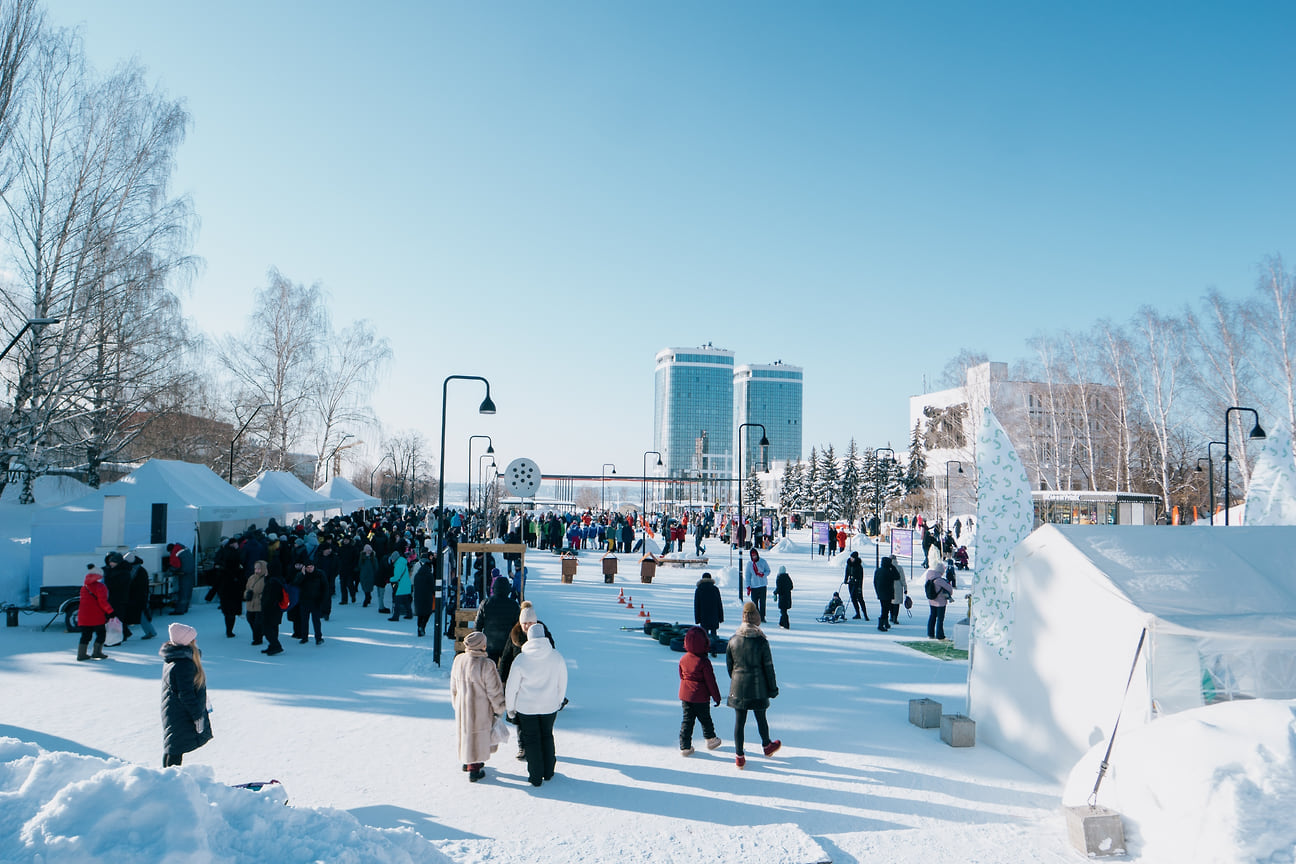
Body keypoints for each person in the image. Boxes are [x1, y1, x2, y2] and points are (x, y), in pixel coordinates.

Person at [505, 622, 568, 787]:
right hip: (549, 706)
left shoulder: (521, 659)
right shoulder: (556, 656)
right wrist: (558, 701)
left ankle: (535, 776)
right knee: (547, 736)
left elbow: (512, 688)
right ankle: (548, 772)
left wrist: (510, 709)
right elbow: (562, 683)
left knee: (531, 740)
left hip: (526, 708)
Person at [726, 601, 780, 769]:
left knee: (739, 722)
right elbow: (769, 668)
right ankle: (766, 745)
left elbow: (730, 666)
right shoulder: (761, 641)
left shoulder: (733, 640)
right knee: (761, 717)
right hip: (758, 687)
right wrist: (772, 688)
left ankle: (739, 756)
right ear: (756, 618)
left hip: (738, 687)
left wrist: (736, 680)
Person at [450, 630, 506, 782]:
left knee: (466, 733)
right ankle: (474, 770)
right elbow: (494, 691)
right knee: (477, 735)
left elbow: (453, 686)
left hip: (463, 706)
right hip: (480, 708)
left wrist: (456, 703)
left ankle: (467, 761)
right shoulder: (486, 664)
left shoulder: (459, 660)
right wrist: (499, 707)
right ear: (482, 646)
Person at [160, 622, 212, 767]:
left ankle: (168, 778)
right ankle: (170, 781)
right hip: (181, 713)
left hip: (176, 711)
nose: (195, 641)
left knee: (174, 747)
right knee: (175, 749)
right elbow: (186, 694)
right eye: (192, 639)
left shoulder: (176, 659)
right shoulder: (183, 664)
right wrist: (197, 717)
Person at [677, 626, 722, 756]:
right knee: (705, 719)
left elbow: (681, 676)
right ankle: (711, 739)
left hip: (686, 695)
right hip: (700, 696)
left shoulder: (683, 659)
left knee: (687, 720)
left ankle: (685, 746)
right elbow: (710, 681)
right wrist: (716, 697)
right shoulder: (704, 662)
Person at [475, 575, 521, 663]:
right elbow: (517, 626)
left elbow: (478, 625)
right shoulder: (513, 605)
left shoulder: (486, 603)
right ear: (508, 589)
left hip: (489, 644)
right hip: (507, 644)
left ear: (494, 588)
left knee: (489, 671)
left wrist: (478, 644)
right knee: (505, 672)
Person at [76, 564, 114, 661]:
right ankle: (97, 653)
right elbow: (103, 602)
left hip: (83, 616)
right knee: (101, 634)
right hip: (96, 616)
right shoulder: (100, 586)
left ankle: (81, 654)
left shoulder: (84, 587)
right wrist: (110, 611)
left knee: (85, 635)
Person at [123, 553, 157, 640]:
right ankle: (150, 632)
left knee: (141, 615)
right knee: (141, 614)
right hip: (138, 596)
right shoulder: (139, 570)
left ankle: (150, 632)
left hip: (138, 597)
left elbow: (137, 585)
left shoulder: (136, 571)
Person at [102, 553, 133, 643]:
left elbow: (114, 585)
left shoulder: (123, 573)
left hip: (118, 599)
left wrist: (107, 577)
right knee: (116, 618)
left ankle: (120, 635)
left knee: (117, 618)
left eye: (113, 562)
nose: (111, 564)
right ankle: (123, 633)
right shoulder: (118, 571)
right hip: (116, 598)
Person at [924, 563, 956, 640]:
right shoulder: (939, 580)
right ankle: (940, 635)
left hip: (931, 601)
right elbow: (950, 589)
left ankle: (930, 633)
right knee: (940, 619)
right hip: (940, 603)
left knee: (932, 617)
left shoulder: (929, 578)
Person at [244, 559, 267, 646]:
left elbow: (267, 591)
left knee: (258, 622)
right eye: (255, 568)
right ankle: (258, 634)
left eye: (259, 569)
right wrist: (247, 594)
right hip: (250, 603)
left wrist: (260, 597)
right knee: (250, 619)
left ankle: (257, 638)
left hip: (260, 604)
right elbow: (247, 588)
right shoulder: (251, 578)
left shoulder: (266, 579)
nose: (257, 570)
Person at [693, 572, 724, 638]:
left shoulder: (699, 590)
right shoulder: (715, 589)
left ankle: (705, 647)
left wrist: (697, 619)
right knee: (714, 635)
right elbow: (719, 604)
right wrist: (721, 618)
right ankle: (714, 646)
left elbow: (697, 606)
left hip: (703, 617)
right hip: (714, 616)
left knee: (704, 635)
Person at [744, 548, 770, 623]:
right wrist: (748, 586)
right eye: (752, 556)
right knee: (754, 603)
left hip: (762, 585)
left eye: (755, 555)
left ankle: (762, 617)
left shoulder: (763, 562)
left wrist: (763, 574)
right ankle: (757, 616)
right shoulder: (749, 564)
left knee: (762, 602)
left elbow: (768, 571)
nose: (754, 557)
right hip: (754, 586)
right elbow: (747, 575)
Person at [412, 550, 434, 637]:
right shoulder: (429, 575)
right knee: (427, 612)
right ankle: (422, 626)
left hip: (418, 597)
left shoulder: (417, 575)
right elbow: (432, 587)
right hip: (427, 597)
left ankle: (419, 627)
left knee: (420, 614)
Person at [387, 547, 412, 621]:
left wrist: (390, 579)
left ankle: (396, 616)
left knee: (397, 602)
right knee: (406, 601)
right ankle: (409, 614)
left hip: (401, 586)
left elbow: (397, 577)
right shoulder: (403, 562)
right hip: (407, 585)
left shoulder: (398, 565)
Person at [873, 556, 896, 632]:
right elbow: (897, 576)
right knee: (885, 609)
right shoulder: (888, 572)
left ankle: (885, 623)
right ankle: (881, 624)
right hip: (888, 593)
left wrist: (877, 591)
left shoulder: (878, 571)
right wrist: (893, 567)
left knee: (884, 608)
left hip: (880, 592)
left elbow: (875, 582)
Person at [844, 551, 869, 621]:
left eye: (853, 558)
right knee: (853, 598)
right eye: (851, 557)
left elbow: (861, 577)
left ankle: (865, 614)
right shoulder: (848, 564)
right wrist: (845, 580)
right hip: (851, 583)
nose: (851, 559)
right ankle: (857, 613)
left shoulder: (859, 566)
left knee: (860, 599)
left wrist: (859, 586)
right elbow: (847, 573)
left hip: (857, 583)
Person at [773, 565, 794, 630]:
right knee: (784, 610)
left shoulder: (779, 578)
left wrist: (775, 593)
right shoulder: (788, 577)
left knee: (783, 611)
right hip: (788, 597)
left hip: (782, 597)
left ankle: (786, 624)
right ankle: (781, 623)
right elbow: (791, 586)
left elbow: (779, 588)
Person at [358, 543, 379, 608]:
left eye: (369, 550)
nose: (368, 552)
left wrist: (376, 574)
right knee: (365, 587)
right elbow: (360, 565)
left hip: (371, 575)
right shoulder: (362, 558)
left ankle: (366, 599)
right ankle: (368, 596)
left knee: (369, 587)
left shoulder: (373, 558)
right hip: (363, 575)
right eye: (367, 550)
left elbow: (376, 567)